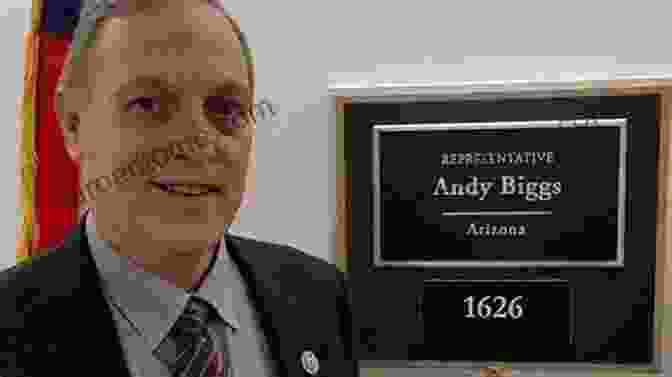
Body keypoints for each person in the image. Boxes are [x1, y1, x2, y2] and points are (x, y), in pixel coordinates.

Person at [0, 1, 357, 376]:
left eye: (226, 108)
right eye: (148, 105)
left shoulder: (317, 298)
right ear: (73, 124)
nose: (197, 143)